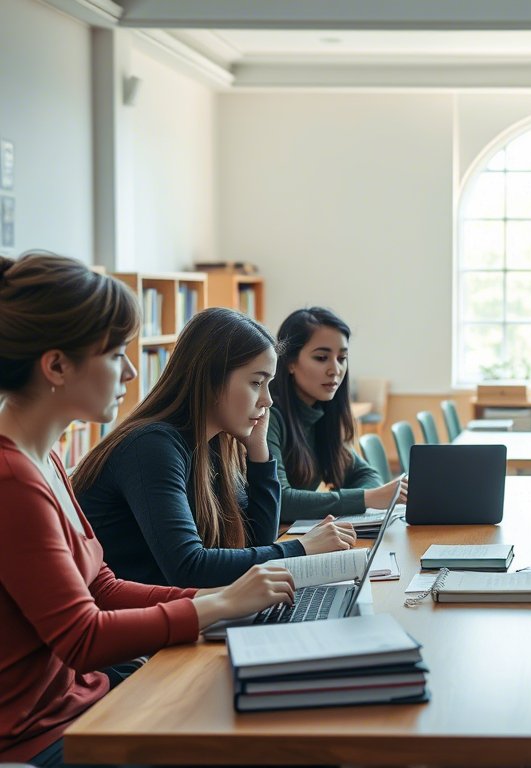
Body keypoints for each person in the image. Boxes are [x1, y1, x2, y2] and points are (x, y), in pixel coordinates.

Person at [0, 252, 296, 767]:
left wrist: (222, 600)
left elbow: (102, 587)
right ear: (56, 366)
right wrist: (216, 606)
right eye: (116, 354)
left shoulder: (43, 458)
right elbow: (83, 637)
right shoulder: (12, 480)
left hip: (84, 702)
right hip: (42, 736)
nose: (133, 370)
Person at [73, 307, 356, 589]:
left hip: (178, 609)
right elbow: (189, 568)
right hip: (128, 621)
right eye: (256, 382)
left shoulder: (216, 443)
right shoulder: (152, 445)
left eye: (268, 384)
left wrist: (258, 453)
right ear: (211, 380)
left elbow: (258, 541)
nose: (267, 400)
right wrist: (301, 549)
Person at [268, 307, 407, 524]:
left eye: (342, 358)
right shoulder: (268, 416)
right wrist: (367, 498)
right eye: (322, 357)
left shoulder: (323, 413)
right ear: (290, 362)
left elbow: (367, 475)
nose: (335, 369)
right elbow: (280, 501)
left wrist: (368, 497)